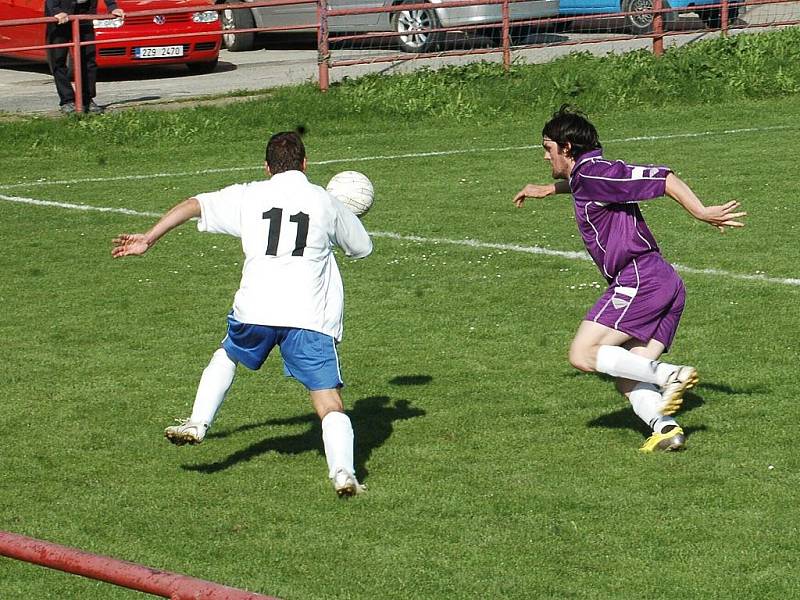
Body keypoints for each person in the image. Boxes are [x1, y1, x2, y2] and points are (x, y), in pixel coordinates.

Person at [112, 131, 374, 496]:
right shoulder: (325, 202)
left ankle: (197, 423)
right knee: (328, 400)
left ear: (267, 167)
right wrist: (342, 216)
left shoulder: (249, 195)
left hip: (255, 309)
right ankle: (344, 474)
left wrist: (149, 238)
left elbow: (194, 204)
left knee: (228, 355)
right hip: (309, 317)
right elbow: (362, 248)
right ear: (305, 163)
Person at [513, 105, 746, 452]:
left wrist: (700, 211)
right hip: (663, 282)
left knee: (582, 353)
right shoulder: (586, 177)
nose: (546, 158)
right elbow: (582, 186)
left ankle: (670, 375)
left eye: (548, 149)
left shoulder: (596, 173)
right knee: (628, 372)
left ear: (566, 147)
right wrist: (549, 190)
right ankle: (666, 429)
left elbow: (662, 178)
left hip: (639, 278)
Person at [44, 0, 124, 114]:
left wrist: (112, 6)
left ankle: (87, 99)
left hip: (84, 13)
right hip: (60, 15)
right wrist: (56, 10)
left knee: (88, 59)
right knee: (58, 60)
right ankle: (67, 100)